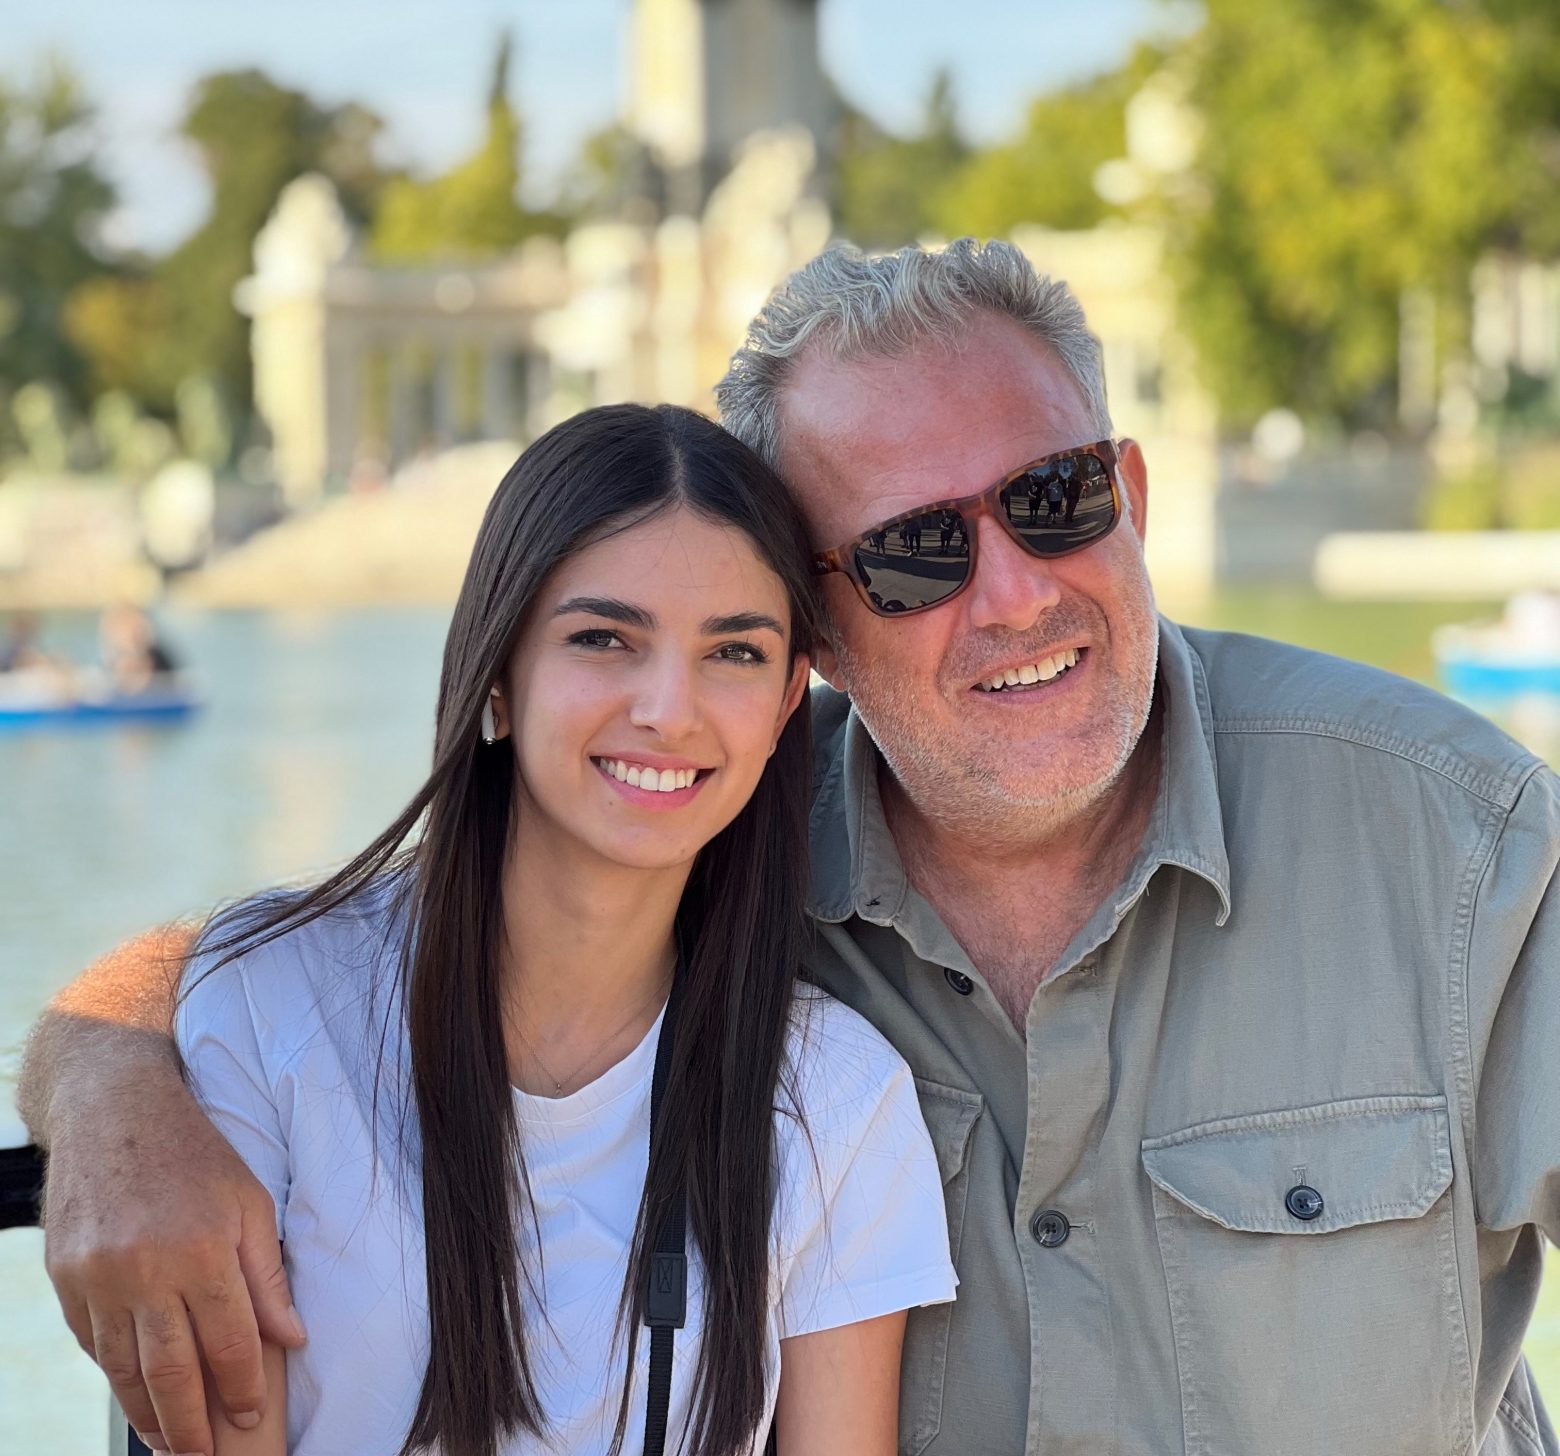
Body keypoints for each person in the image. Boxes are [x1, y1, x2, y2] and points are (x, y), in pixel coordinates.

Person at [21, 240, 1560, 1455]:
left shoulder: (1457, 842)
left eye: (1056, 498)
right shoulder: (702, 824)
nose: (1016, 594)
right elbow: (366, 948)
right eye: (915, 554)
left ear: (1134, 497)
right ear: (819, 633)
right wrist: (107, 1077)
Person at [26, 403, 956, 1456]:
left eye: (734, 652)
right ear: (497, 676)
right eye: (603, 638)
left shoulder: (837, 1101)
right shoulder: (271, 1010)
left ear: (789, 702)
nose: (669, 708)